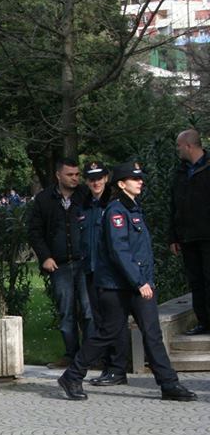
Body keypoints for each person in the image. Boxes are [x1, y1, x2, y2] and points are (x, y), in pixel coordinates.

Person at [59, 162, 197, 402]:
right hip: (118, 287)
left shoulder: (133, 209)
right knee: (107, 333)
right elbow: (119, 252)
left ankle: (169, 384)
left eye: (140, 178)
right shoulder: (117, 212)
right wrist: (139, 282)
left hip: (136, 283)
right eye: (135, 179)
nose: (140, 181)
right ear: (122, 184)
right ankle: (72, 375)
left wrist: (143, 280)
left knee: (152, 334)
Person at [27, 158, 92, 367]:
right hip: (60, 264)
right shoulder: (44, 199)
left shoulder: (85, 195)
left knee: (88, 309)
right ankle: (71, 354)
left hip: (84, 261)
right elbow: (35, 231)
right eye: (70, 175)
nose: (75, 178)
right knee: (66, 311)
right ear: (58, 175)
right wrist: (45, 256)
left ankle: (91, 355)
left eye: (77, 175)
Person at [79, 162, 128, 386]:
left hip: (110, 273)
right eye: (91, 179)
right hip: (91, 269)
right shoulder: (85, 204)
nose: (95, 182)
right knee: (101, 320)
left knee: (113, 322)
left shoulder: (114, 203)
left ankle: (117, 369)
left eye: (99, 178)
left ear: (106, 178)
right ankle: (109, 367)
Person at [170, 129, 210, 336]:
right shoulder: (180, 172)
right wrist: (173, 237)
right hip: (187, 236)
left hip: (207, 235)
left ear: (188, 145)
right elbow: (173, 205)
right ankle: (203, 321)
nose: (177, 149)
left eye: (178, 145)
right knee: (196, 281)